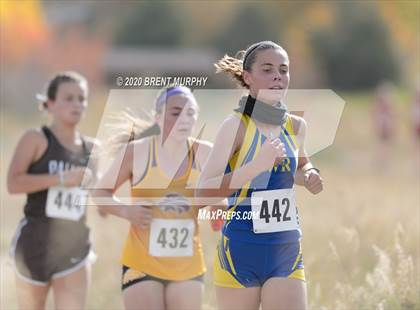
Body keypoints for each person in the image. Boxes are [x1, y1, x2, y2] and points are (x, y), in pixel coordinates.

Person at [196, 41, 323, 310]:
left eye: (283, 69)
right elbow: (202, 193)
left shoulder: (296, 126)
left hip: (285, 249)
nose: (278, 75)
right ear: (248, 77)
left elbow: (299, 168)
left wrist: (310, 174)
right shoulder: (235, 127)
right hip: (241, 251)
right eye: (268, 69)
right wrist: (255, 166)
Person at [92, 85, 213, 310]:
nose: (184, 119)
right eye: (176, 113)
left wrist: (218, 211)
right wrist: (127, 212)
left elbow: (224, 199)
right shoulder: (136, 152)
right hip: (141, 263)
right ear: (158, 118)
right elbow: (100, 192)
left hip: (188, 265)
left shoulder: (206, 154)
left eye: (190, 113)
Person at [7, 71, 97, 309]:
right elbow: (13, 183)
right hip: (34, 244)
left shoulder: (92, 148)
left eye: (82, 98)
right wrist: (60, 178)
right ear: (50, 103)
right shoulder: (36, 139)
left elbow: (101, 198)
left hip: (74, 246)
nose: (77, 104)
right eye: (69, 98)